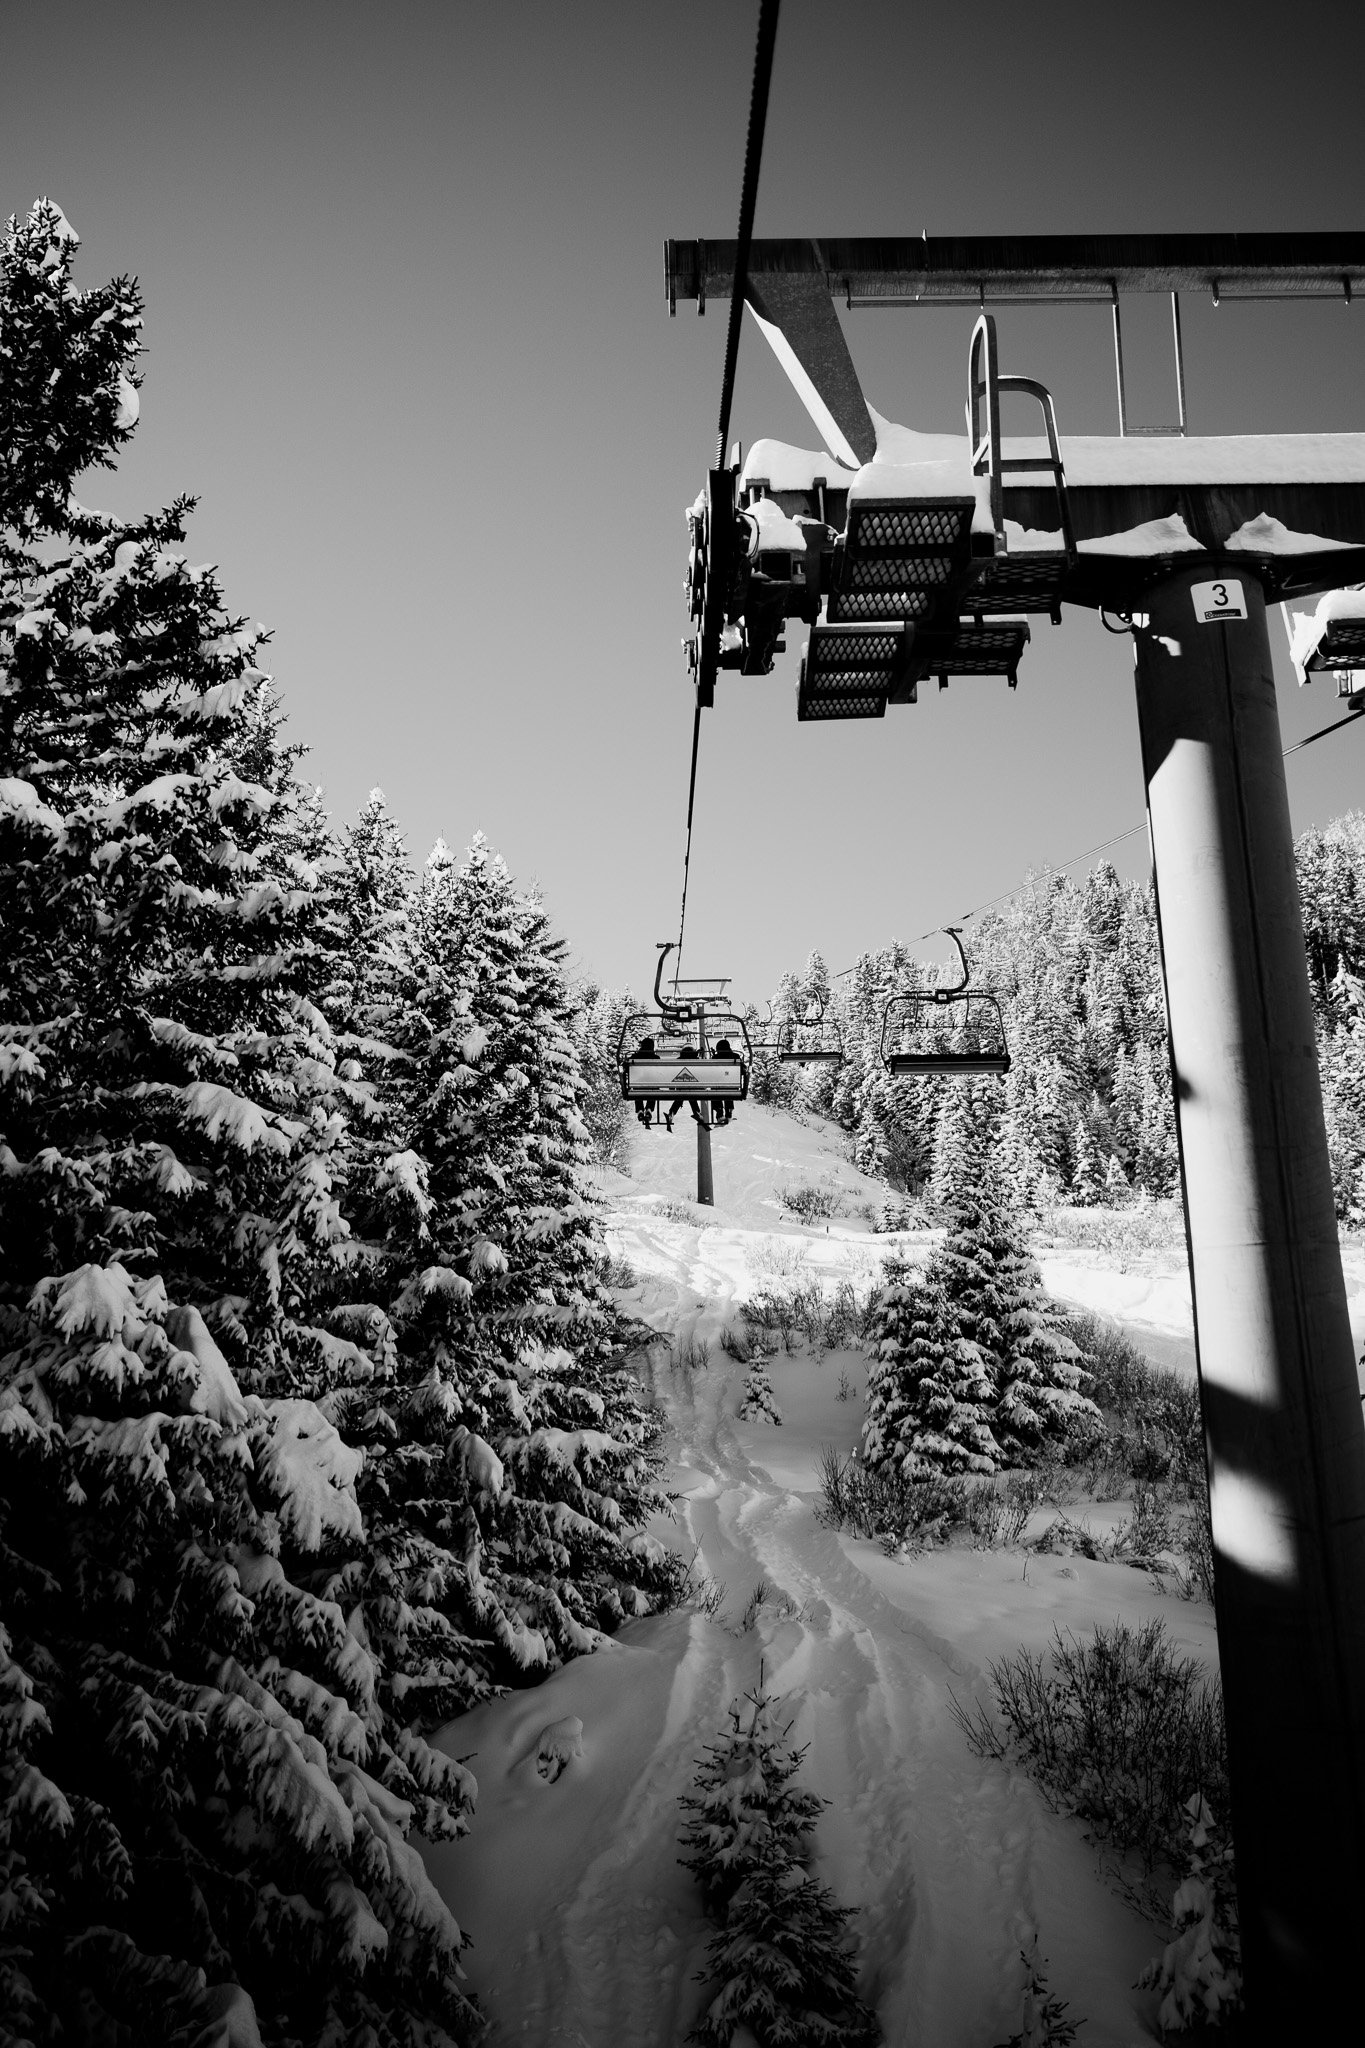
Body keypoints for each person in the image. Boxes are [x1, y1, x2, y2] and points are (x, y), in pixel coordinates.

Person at [665, 1045, 699, 1131]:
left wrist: (671, 1088)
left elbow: (672, 1075)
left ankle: (671, 1113)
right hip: (693, 1087)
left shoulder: (678, 1061)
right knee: (691, 1095)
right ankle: (697, 1112)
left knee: (681, 1095)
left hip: (681, 1087)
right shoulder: (697, 1061)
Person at [632, 1035, 659, 1127]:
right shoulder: (656, 1058)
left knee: (636, 1087)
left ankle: (640, 1110)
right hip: (652, 1086)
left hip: (638, 1085)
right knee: (654, 1088)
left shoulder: (635, 1056)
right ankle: (649, 1109)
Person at [711, 1038, 737, 1125]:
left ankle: (719, 1113)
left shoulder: (715, 1058)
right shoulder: (736, 1056)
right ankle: (728, 1112)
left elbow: (712, 1072)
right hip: (733, 1086)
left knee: (715, 1089)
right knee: (729, 1089)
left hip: (718, 1087)